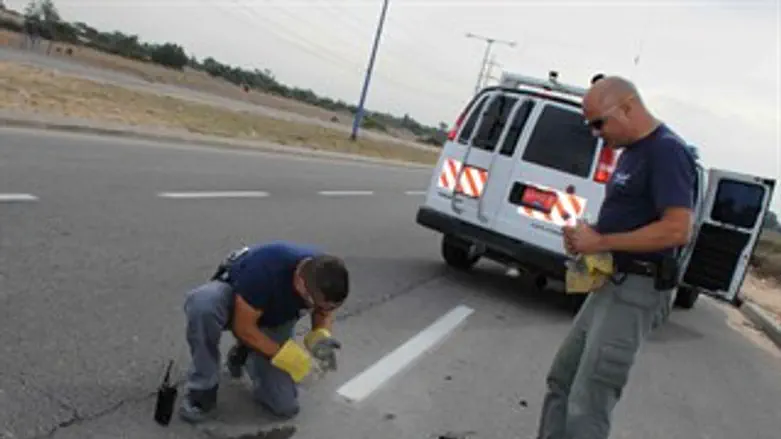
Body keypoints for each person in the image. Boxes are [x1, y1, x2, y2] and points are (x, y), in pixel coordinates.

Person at [534, 76, 697, 439]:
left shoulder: (667, 151)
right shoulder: (632, 154)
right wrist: (587, 236)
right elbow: (630, 219)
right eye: (589, 125)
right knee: (562, 380)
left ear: (627, 107)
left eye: (599, 123)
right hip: (610, 281)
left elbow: (677, 229)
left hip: (635, 289)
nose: (595, 133)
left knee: (589, 399)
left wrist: (601, 240)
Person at [179, 241, 350, 423]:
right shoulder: (264, 271)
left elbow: (324, 311)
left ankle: (245, 354)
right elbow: (242, 328)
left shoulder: (325, 275)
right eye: (315, 304)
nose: (321, 310)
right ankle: (203, 387)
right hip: (238, 303)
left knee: (285, 406)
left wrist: (321, 336)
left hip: (275, 319)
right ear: (300, 282)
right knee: (203, 305)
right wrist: (287, 357)